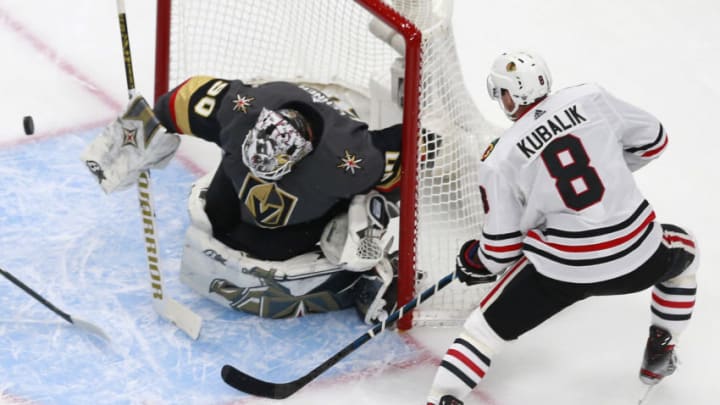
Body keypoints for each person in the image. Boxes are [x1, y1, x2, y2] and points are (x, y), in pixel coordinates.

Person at [425, 51, 698, 404]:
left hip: (563, 273)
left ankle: (443, 398)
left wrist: (473, 261)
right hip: (638, 256)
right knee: (686, 255)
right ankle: (660, 350)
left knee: (481, 333)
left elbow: (501, 251)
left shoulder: (499, 156)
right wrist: (612, 171)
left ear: (507, 95)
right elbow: (655, 140)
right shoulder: (590, 97)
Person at [81, 77, 404, 325]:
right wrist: (133, 139)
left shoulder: (350, 160)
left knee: (364, 215)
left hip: (289, 238)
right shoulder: (241, 108)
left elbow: (408, 152)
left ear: (300, 156)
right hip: (227, 207)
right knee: (221, 217)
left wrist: (369, 212)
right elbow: (177, 102)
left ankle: (373, 269)